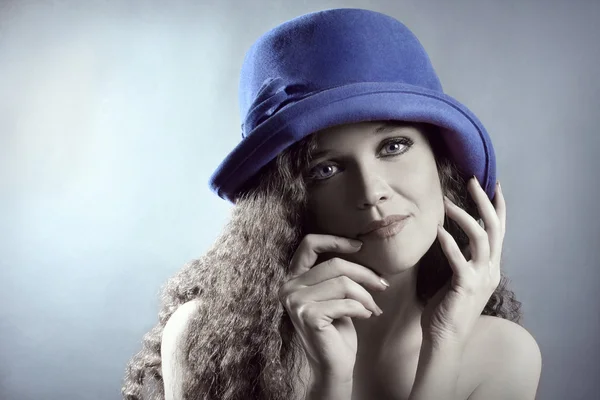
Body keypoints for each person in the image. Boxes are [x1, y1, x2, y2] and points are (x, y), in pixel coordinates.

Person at [122, 8, 542, 400]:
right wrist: (331, 381)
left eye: (394, 146)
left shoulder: (503, 354)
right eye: (325, 169)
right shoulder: (204, 337)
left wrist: (445, 342)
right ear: (288, 201)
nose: (371, 192)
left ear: (441, 162)